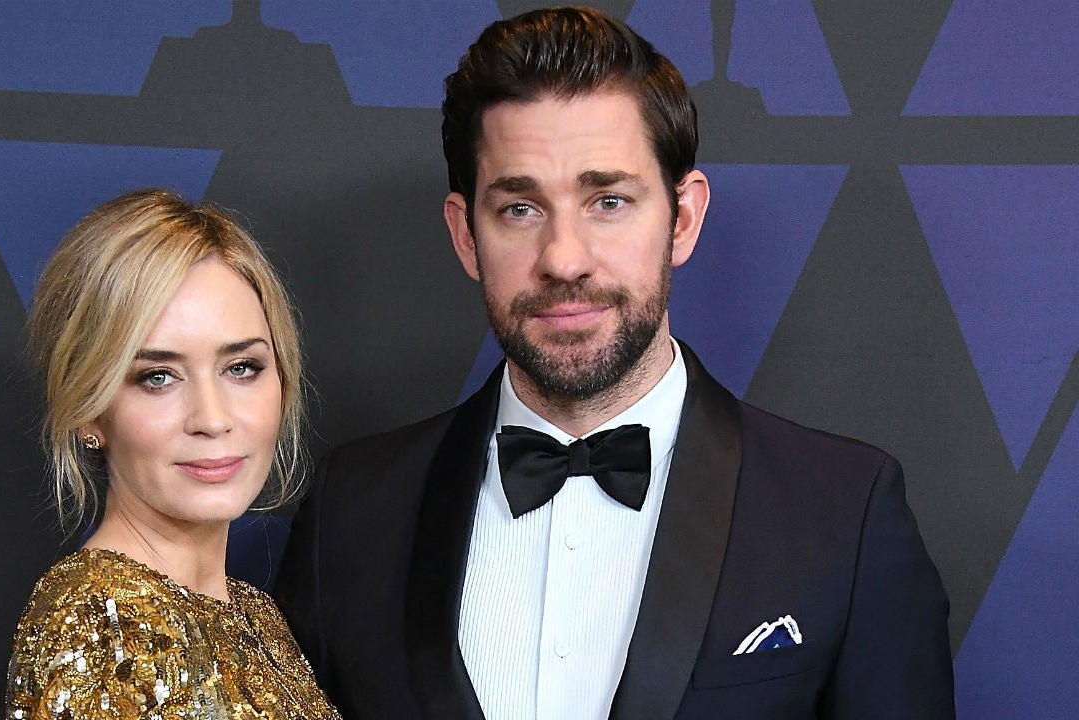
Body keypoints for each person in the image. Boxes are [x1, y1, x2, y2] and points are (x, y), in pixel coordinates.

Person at [274, 7, 953, 720]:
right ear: (466, 235)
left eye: (608, 201)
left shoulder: (845, 513)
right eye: (520, 209)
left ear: (682, 219)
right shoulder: (352, 512)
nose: (564, 259)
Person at [5, 189, 340, 719]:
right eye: (158, 377)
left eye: (241, 368)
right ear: (89, 409)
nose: (212, 418)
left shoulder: (255, 616)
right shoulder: (104, 625)